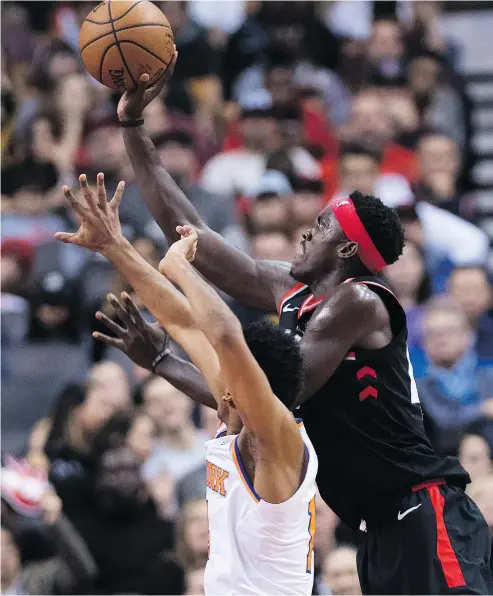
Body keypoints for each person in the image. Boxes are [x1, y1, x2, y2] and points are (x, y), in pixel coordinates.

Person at [110, 61, 492, 594]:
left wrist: (166, 362)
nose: (306, 234)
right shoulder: (292, 288)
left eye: (320, 228)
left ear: (349, 250)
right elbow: (190, 234)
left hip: (424, 511)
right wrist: (133, 130)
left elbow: (266, 399)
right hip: (378, 529)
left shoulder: (358, 301)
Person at [55, 173, 318, 594]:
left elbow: (227, 335)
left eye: (230, 369)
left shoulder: (277, 437)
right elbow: (182, 323)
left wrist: (180, 266)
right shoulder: (234, 409)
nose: (218, 370)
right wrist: (113, 246)